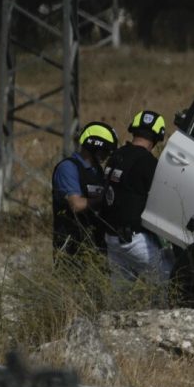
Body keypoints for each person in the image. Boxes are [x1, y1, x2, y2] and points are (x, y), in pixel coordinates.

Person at [102, 111, 172, 296]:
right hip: (134, 241)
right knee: (168, 281)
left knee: (120, 296)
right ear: (157, 138)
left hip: (111, 238)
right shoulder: (148, 163)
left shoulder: (116, 155)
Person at [51, 121, 118, 264]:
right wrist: (105, 199)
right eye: (105, 151)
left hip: (95, 246)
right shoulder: (68, 168)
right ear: (95, 147)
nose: (107, 155)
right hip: (71, 248)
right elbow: (76, 204)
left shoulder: (98, 171)